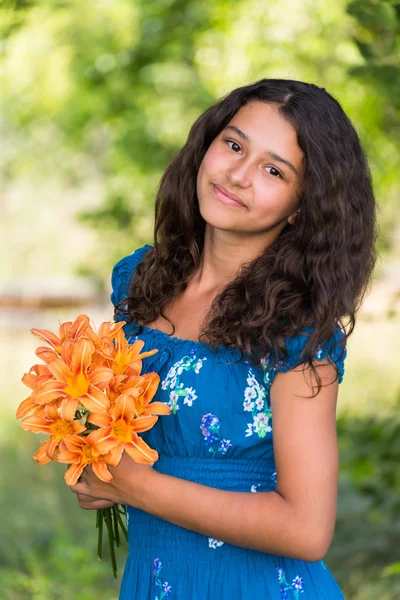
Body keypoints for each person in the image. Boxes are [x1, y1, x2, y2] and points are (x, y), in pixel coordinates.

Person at [70, 79, 376, 599]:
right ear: (205, 145)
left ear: (304, 205)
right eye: (234, 145)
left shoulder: (299, 328)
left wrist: (133, 486)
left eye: (274, 170)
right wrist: (90, 456)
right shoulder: (140, 281)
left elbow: (306, 530)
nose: (237, 175)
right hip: (154, 581)